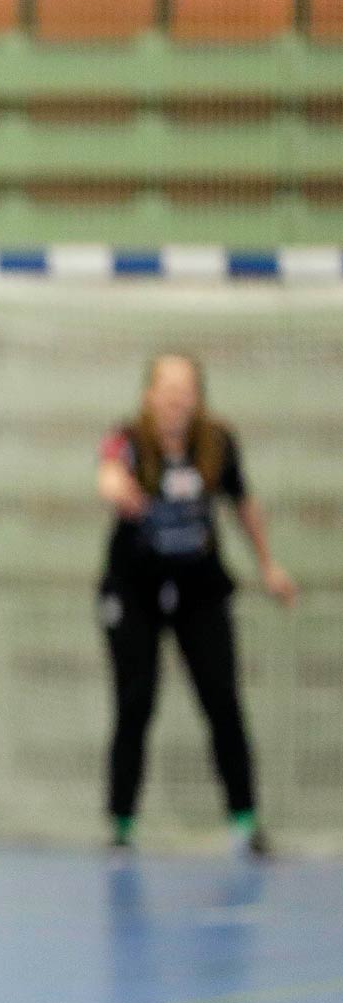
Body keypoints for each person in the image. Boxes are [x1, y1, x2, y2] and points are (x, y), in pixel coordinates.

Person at [96, 352, 297, 856]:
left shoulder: (217, 443)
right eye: (167, 386)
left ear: (198, 396)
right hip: (135, 586)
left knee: (222, 700)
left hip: (199, 587)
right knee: (135, 701)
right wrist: (117, 490)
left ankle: (245, 823)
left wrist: (268, 565)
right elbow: (107, 472)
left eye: (185, 387)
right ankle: (121, 824)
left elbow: (242, 503)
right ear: (149, 394)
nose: (176, 396)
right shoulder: (129, 439)